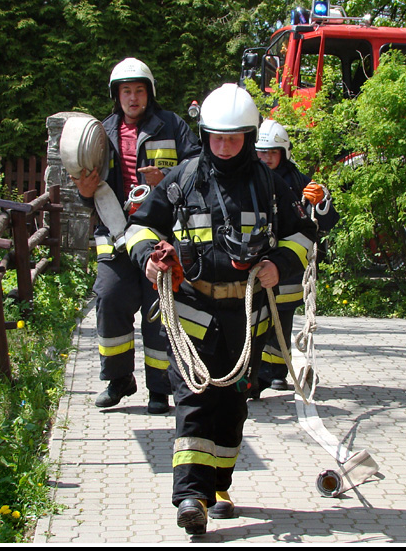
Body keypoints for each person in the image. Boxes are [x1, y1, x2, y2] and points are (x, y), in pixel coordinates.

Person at [125, 83, 318, 535]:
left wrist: (279, 263)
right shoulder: (185, 178)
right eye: (217, 137)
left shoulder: (271, 185)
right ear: (205, 134)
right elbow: (138, 227)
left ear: (249, 138)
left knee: (232, 407)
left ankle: (216, 486)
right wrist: (151, 258)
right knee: (193, 400)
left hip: (247, 318)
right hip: (192, 311)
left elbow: (305, 235)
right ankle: (190, 496)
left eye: (234, 138)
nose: (225, 147)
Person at [72, 57, 201, 412]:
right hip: (114, 234)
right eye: (126, 91)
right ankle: (119, 380)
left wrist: (168, 180)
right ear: (116, 95)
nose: (133, 98)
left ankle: (159, 389)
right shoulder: (100, 133)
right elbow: (89, 185)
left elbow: (197, 169)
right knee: (111, 300)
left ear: (150, 93)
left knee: (159, 309)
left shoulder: (173, 125)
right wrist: (84, 190)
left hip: (159, 233)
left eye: (139, 91)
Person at [252, 119, 339, 397]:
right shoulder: (249, 178)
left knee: (282, 318)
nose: (265, 159)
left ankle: (276, 373)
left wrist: (321, 201)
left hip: (287, 267)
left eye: (271, 153)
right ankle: (260, 373)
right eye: (261, 153)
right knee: (256, 319)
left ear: (284, 152)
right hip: (256, 262)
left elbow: (326, 222)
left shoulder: (300, 182)